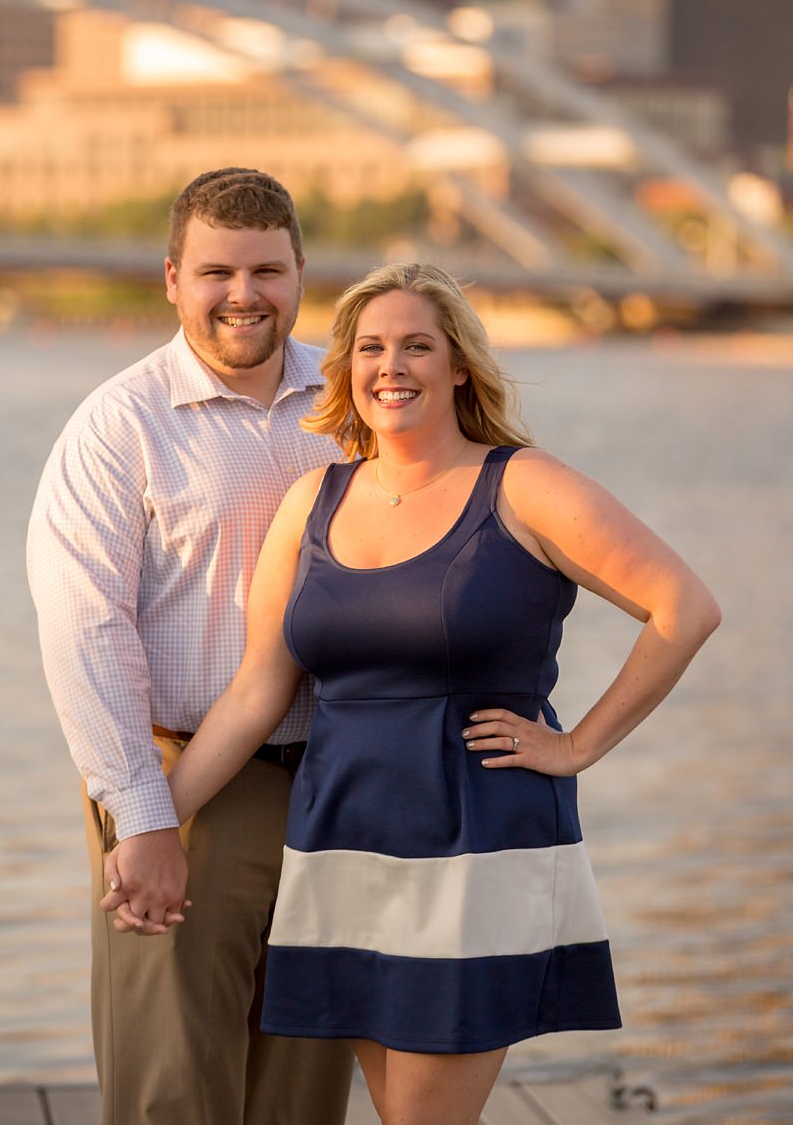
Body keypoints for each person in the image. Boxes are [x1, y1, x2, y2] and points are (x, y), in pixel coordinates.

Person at [103, 261, 722, 1125]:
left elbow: (683, 607)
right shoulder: (313, 499)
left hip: (476, 839)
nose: (391, 365)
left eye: (416, 346)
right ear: (347, 369)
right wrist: (151, 825)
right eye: (371, 347)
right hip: (345, 843)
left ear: (460, 364)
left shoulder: (523, 485)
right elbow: (255, 692)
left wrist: (577, 744)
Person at [30, 169, 356, 1125]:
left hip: (341, 788)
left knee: (304, 1093)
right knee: (173, 1090)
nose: (243, 294)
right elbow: (84, 628)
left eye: (267, 269)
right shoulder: (118, 426)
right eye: (217, 270)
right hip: (187, 783)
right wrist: (143, 819)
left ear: (301, 275)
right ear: (172, 278)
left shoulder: (354, 405)